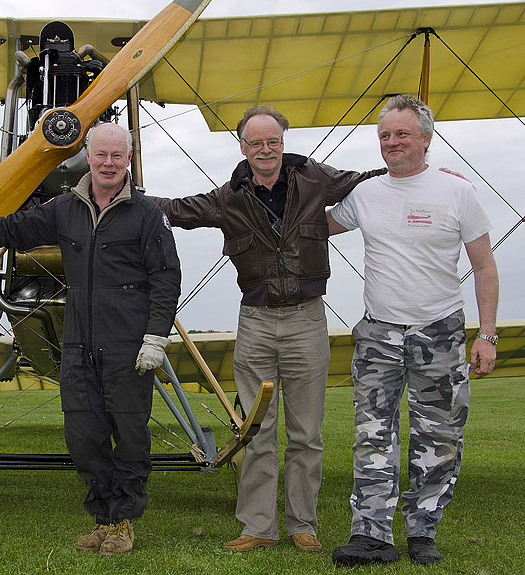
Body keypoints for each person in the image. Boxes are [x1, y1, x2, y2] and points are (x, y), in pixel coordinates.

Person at [0, 122, 181, 556]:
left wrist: (155, 337)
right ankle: (104, 517)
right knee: (82, 436)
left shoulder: (148, 214)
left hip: (128, 347)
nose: (109, 163)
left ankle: (124, 522)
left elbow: (166, 276)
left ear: (129, 160)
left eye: (118, 156)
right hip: (78, 345)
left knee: (130, 435)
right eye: (101, 154)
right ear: (88, 157)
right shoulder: (64, 209)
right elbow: (11, 229)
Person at [151, 105, 386, 552]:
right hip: (255, 321)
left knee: (306, 432)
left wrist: (421, 174)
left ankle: (303, 525)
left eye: (273, 141)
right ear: (242, 147)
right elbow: (176, 210)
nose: (266, 150)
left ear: (284, 142)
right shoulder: (229, 198)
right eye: (256, 143)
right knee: (254, 429)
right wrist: (118, 192)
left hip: (307, 319)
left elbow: (366, 180)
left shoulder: (316, 179)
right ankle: (258, 528)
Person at [327, 94, 499, 566]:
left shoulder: (457, 192)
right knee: (371, 434)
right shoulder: (364, 194)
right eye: (384, 135)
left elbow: (484, 265)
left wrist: (487, 334)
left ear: (425, 138)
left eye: (402, 133)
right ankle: (371, 534)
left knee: (440, 434)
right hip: (379, 333)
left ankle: (423, 530)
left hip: (439, 331)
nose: (391, 142)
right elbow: (312, 225)